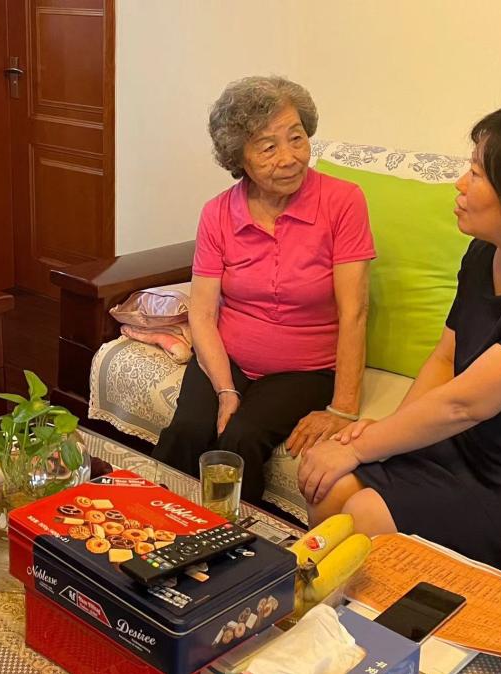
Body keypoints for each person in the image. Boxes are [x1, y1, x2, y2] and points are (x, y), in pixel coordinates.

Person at [298, 102, 501, 584]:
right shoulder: (485, 253)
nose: (459, 184)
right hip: (477, 447)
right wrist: (389, 439)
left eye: (476, 173)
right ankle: (321, 616)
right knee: (330, 488)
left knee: (367, 513)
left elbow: (464, 404)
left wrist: (363, 446)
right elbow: (447, 357)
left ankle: (380, 622)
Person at [151, 76, 375, 504]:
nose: (289, 158)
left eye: (297, 138)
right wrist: (225, 389)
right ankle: (158, 524)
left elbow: (356, 312)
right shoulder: (218, 213)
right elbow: (202, 313)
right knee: (188, 431)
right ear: (240, 157)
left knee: (242, 437)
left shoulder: (343, 202)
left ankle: (231, 537)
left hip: (305, 369)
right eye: (268, 147)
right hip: (228, 356)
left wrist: (343, 408)